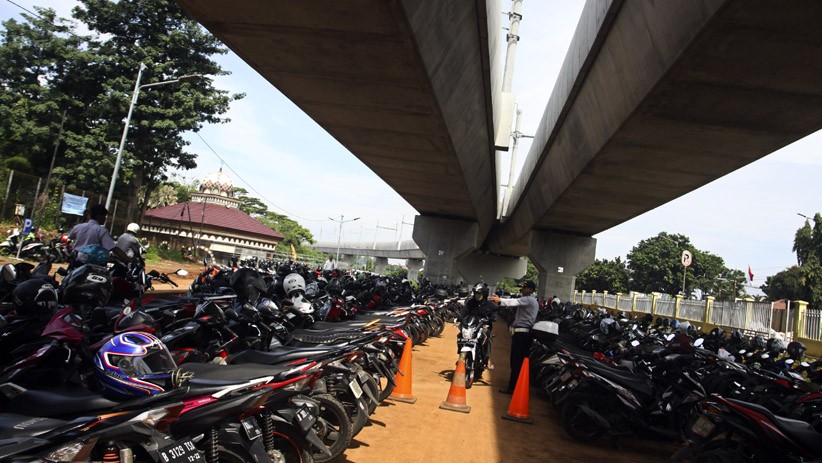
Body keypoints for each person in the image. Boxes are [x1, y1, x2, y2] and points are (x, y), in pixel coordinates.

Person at [490, 280, 539, 394]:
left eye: (525, 287)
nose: (523, 289)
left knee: (516, 361)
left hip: (522, 334)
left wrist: (500, 300)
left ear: (531, 290)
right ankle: (516, 386)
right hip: (522, 334)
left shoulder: (529, 299)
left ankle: (513, 387)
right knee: (518, 361)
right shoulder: (529, 300)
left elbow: (514, 301)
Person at [458, 282, 498, 370]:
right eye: (476, 293)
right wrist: (459, 317)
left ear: (484, 294)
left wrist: (491, 318)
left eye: (479, 293)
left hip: (483, 327)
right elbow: (464, 311)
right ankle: (461, 355)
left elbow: (494, 316)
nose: (477, 295)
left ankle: (487, 360)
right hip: (471, 327)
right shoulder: (470, 302)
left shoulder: (491, 306)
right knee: (460, 335)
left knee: (488, 337)